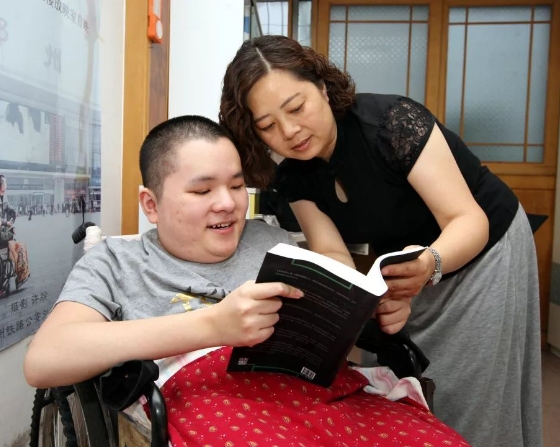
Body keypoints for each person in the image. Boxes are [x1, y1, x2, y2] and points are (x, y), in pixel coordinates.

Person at [24, 116, 469, 447]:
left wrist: (373, 311)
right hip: (216, 405)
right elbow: (44, 360)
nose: (228, 204)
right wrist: (212, 326)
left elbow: (327, 323)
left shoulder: (269, 241)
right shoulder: (116, 262)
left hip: (320, 398)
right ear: (151, 204)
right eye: (202, 191)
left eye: (237, 187)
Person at [219, 35, 542, 447]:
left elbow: (466, 218)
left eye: (297, 108)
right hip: (406, 266)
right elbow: (331, 251)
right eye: (267, 126)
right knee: (399, 386)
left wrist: (430, 263)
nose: (290, 131)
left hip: (480, 246)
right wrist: (352, 301)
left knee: (472, 389)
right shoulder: (293, 174)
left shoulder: (391, 124)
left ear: (322, 87)